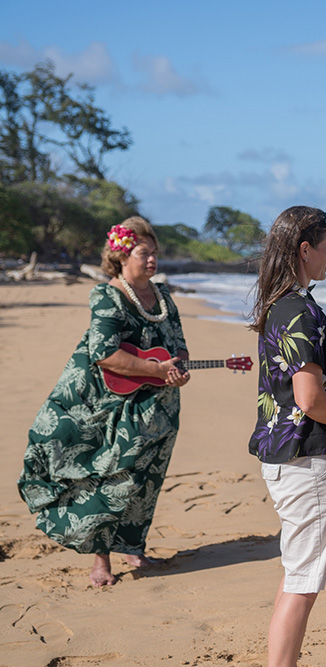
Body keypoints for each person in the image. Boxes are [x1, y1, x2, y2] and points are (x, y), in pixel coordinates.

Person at [18, 216, 191, 588]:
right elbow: (104, 353)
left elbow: (178, 345)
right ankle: (101, 560)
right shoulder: (107, 295)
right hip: (109, 404)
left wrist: (178, 369)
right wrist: (154, 368)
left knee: (146, 480)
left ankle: (134, 547)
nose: (152, 260)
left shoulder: (163, 298)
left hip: (159, 407)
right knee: (111, 479)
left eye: (154, 253)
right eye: (144, 253)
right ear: (121, 256)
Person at [247, 205, 326, 667]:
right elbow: (309, 398)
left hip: (284, 455)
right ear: (305, 249)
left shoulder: (280, 304)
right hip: (305, 459)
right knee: (303, 581)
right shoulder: (298, 309)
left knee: (296, 572)